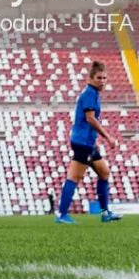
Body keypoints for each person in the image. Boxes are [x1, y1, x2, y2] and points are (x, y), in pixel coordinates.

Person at [55, 61, 122, 224]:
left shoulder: (93, 93)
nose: (102, 81)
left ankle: (105, 213)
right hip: (82, 142)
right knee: (74, 177)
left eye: (105, 78)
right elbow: (90, 118)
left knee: (104, 172)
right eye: (99, 77)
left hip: (87, 143)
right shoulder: (89, 94)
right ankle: (62, 215)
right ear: (90, 78)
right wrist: (108, 137)